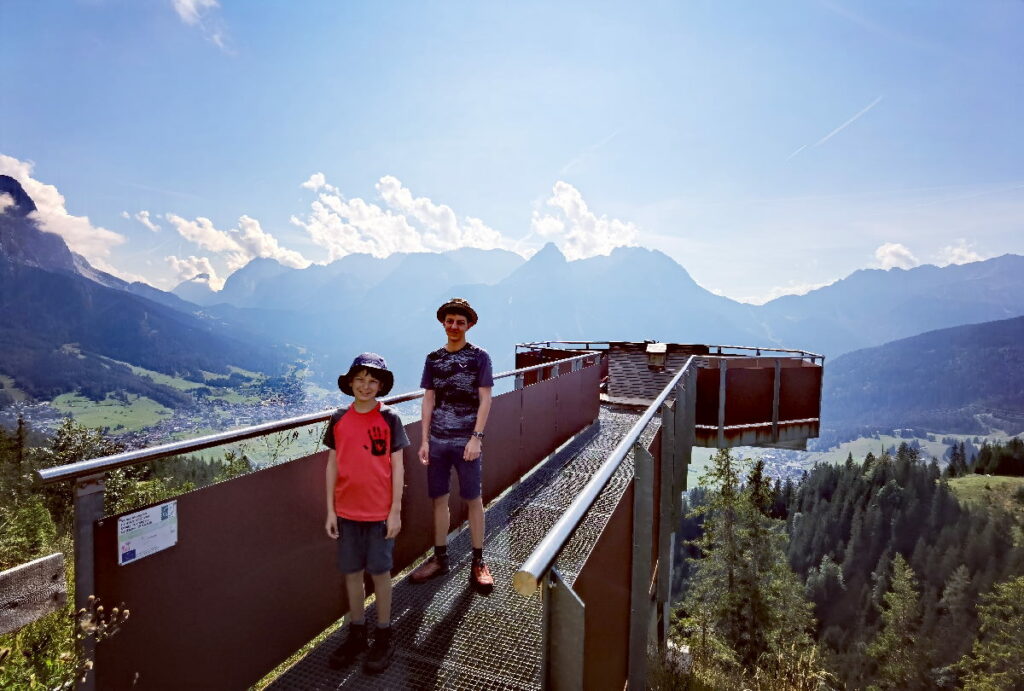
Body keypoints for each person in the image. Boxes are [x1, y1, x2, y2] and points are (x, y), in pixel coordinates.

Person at [323, 353, 410, 673]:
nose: (365, 385)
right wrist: (330, 510)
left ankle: (384, 635)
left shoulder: (390, 418)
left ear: (381, 385)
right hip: (346, 512)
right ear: (349, 382)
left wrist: (395, 511)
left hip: (379, 513)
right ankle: (357, 633)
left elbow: (398, 467)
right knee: (351, 574)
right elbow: (332, 465)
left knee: (381, 573)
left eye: (373, 380)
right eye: (359, 379)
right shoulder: (338, 418)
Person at [410, 298, 495, 593]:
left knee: (473, 499)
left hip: (466, 441)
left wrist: (476, 437)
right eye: (450, 321)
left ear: (469, 325)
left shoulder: (479, 357)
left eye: (460, 322)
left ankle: (479, 561)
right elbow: (429, 400)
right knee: (439, 499)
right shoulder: (433, 358)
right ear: (443, 324)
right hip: (437, 441)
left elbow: (485, 398)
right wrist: (423, 440)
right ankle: (440, 558)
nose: (454, 326)